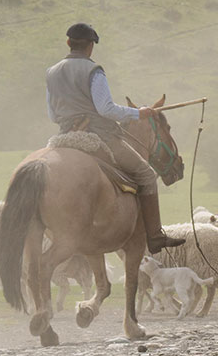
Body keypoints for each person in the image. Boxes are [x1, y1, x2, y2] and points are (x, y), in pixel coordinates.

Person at [46, 22, 185, 253]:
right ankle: (155, 236)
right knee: (147, 174)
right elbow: (106, 109)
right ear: (91, 47)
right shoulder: (94, 70)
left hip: (65, 136)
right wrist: (138, 113)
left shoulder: (51, 73)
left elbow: (52, 114)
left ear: (69, 43)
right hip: (99, 136)